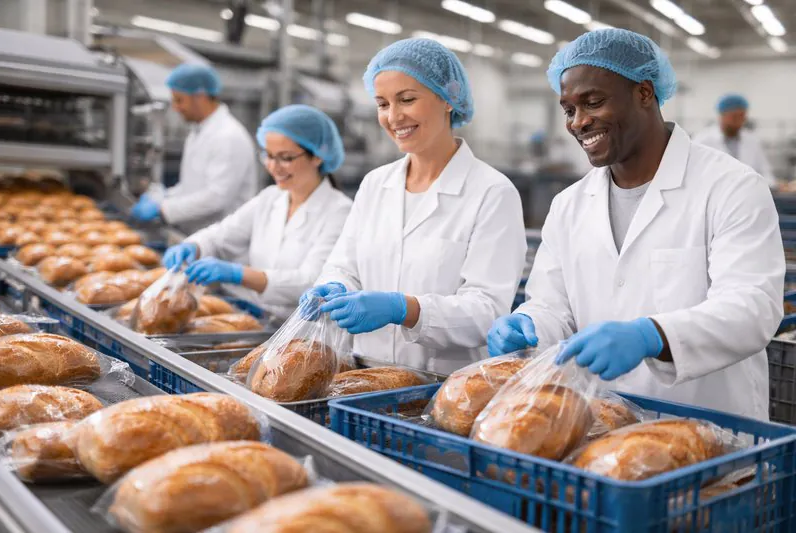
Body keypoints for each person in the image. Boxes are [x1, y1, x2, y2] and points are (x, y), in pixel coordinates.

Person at [487, 29, 784, 420]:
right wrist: (529, 322)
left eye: (593, 102)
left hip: (709, 435)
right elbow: (554, 307)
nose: (578, 122)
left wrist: (652, 336)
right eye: (568, 109)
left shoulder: (731, 187)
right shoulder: (568, 206)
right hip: (598, 431)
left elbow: (753, 309)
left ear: (645, 93)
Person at [300, 38, 527, 375]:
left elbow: (487, 311)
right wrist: (334, 285)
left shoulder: (492, 192)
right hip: (364, 376)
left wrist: (405, 309)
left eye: (407, 99)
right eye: (382, 104)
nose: (393, 116)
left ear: (448, 98)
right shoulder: (376, 184)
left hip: (445, 387)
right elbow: (345, 265)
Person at [162, 105, 352, 321]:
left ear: (318, 156)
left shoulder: (340, 212)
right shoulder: (270, 198)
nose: (273, 167)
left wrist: (239, 274)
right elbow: (221, 235)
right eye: (268, 156)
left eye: (286, 158)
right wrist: (194, 246)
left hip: (304, 329)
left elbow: (311, 280)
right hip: (260, 319)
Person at [131, 63, 258, 234]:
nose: (175, 108)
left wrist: (163, 209)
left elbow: (216, 197)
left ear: (200, 96)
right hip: (197, 234)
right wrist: (163, 197)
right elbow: (191, 187)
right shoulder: (197, 132)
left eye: (179, 100)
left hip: (223, 242)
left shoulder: (228, 136)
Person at [693, 94, 775, 186]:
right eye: (734, 117)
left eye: (742, 116)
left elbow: (765, 172)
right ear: (722, 115)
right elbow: (696, 174)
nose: (739, 121)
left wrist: (769, 185)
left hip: (749, 192)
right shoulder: (703, 140)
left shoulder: (752, 140)